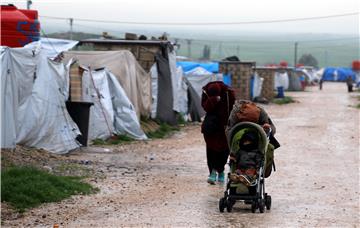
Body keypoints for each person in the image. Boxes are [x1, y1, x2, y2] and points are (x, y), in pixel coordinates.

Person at [227, 100, 280, 179]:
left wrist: (267, 129)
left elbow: (271, 128)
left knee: (251, 172)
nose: (246, 143)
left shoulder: (257, 153)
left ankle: (246, 177)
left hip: (251, 169)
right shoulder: (239, 151)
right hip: (240, 168)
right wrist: (232, 157)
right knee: (238, 171)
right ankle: (239, 177)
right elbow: (230, 133)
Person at [201, 81, 235, 184]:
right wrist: (213, 100)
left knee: (224, 150)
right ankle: (212, 172)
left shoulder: (229, 93)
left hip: (224, 125)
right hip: (211, 125)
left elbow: (232, 107)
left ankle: (221, 171)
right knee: (211, 150)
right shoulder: (205, 92)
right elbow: (205, 107)